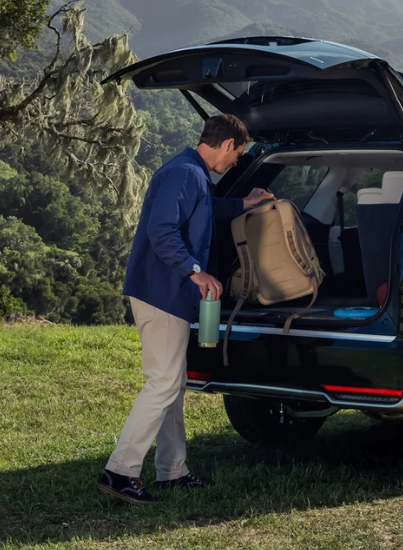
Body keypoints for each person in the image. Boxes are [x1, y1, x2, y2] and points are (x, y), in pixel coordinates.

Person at [97, 114, 273, 504]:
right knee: (162, 382)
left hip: (168, 293)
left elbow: (206, 208)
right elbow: (162, 231)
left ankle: (172, 471)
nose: (236, 162)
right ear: (227, 144)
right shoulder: (185, 173)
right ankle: (119, 471)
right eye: (238, 154)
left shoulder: (191, 173)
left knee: (172, 384)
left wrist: (247, 202)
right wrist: (195, 271)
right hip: (162, 292)